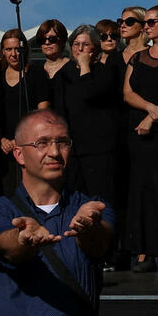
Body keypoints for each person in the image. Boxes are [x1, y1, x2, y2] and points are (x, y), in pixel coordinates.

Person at [0, 109, 114, 316]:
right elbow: (4, 245)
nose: (55, 152)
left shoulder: (92, 209)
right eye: (42, 143)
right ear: (19, 154)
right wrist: (22, 239)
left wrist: (88, 230)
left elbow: (100, 244)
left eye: (63, 142)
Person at [54, 25, 121, 205]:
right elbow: (59, 110)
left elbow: (89, 94)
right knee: (75, 203)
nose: (80, 49)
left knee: (100, 203)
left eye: (85, 44)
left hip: (99, 150)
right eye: (76, 44)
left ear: (95, 48)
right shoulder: (64, 74)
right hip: (74, 150)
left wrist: (84, 66)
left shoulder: (107, 72)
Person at [122, 4, 158, 273]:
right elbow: (127, 93)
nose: (147, 26)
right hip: (140, 136)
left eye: (151, 22)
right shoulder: (138, 57)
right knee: (142, 190)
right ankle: (143, 252)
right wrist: (149, 109)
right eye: (145, 22)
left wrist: (154, 117)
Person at [0, 29, 50, 196]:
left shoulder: (37, 73)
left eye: (18, 49)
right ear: (3, 51)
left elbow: (43, 111)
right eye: (9, 49)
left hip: (29, 145)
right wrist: (1, 139)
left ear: (25, 49)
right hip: (3, 148)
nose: (13, 54)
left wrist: (22, 139)